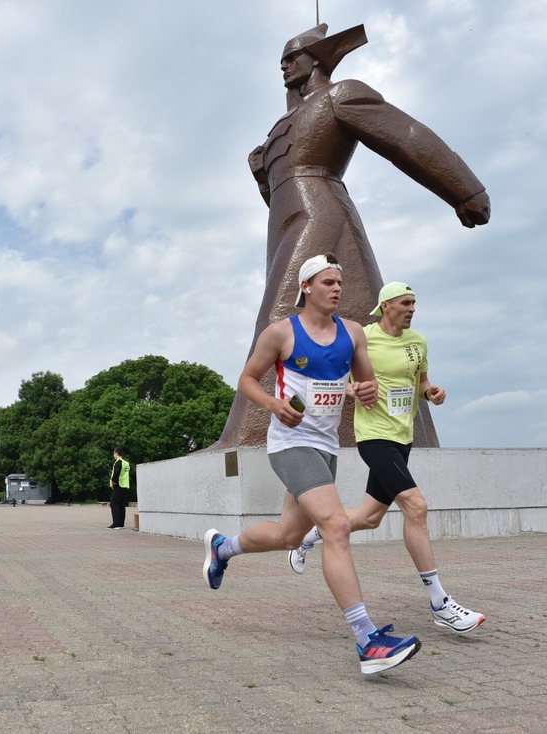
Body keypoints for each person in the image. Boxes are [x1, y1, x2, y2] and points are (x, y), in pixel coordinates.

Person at [213, 22, 490, 451]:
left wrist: (465, 189)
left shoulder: (341, 95)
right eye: (282, 60)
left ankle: (246, 436)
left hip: (320, 211)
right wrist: (261, 170)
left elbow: (406, 136)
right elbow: (273, 193)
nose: (285, 66)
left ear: (317, 58)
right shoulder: (283, 123)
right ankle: (371, 431)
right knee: (336, 323)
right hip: (285, 221)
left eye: (293, 56)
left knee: (281, 314)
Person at [203, 254, 421, 675]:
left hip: (326, 447)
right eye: (327, 282)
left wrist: (365, 392)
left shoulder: (353, 333)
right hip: (290, 443)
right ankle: (367, 640)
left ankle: (221, 548)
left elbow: (363, 383)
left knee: (288, 535)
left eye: (339, 282)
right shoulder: (281, 333)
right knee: (336, 526)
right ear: (306, 287)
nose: (337, 288)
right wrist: (273, 404)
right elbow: (247, 379)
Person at [289, 282, 485, 634]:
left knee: (369, 517)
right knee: (416, 506)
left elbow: (421, 381)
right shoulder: (362, 337)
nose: (412, 309)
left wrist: (432, 392)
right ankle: (440, 603)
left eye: (415, 303)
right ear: (386, 306)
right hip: (373, 436)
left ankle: (313, 531)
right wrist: (352, 389)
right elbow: (339, 377)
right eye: (406, 303)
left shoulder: (417, 342)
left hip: (402, 437)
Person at [108, 448, 130, 529]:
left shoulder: (118, 462)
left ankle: (116, 523)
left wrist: (113, 482)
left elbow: (116, 474)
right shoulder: (126, 463)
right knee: (121, 504)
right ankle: (121, 524)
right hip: (125, 486)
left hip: (118, 486)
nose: (113, 455)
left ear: (116, 454)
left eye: (114, 454)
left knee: (114, 504)